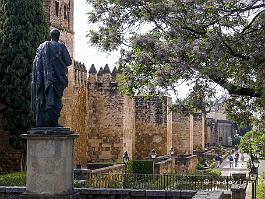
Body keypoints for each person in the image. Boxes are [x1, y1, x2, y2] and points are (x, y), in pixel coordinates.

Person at [31, 29, 72, 127]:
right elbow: (68, 62)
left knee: (44, 99)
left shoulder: (42, 47)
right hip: (58, 79)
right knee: (56, 101)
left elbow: (36, 63)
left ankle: (43, 121)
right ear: (58, 37)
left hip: (44, 79)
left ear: (50, 36)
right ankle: (53, 122)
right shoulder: (61, 47)